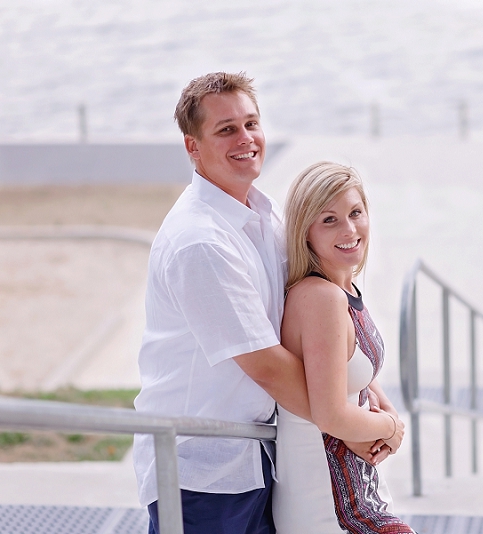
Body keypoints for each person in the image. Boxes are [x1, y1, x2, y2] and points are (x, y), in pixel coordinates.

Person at [132, 71, 314, 534]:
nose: (246, 138)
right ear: (193, 147)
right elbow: (266, 364)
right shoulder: (200, 242)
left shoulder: (264, 214)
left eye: (251, 123)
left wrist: (360, 393)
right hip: (200, 472)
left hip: (255, 455)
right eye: (226, 129)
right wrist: (349, 424)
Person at [273, 162, 414, 533]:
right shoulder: (321, 299)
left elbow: (347, 366)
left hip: (354, 486)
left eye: (355, 213)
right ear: (306, 233)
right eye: (329, 220)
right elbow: (331, 414)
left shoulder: (340, 288)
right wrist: (390, 426)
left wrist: (380, 400)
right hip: (328, 496)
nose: (350, 229)